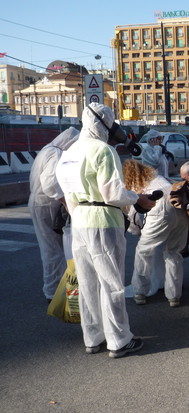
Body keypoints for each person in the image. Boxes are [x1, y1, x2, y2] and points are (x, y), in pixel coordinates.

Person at [56, 103, 155, 358]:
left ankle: (92, 337)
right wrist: (136, 198)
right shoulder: (104, 150)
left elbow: (68, 194)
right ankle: (119, 340)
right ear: (104, 124)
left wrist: (79, 215)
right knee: (111, 283)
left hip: (79, 221)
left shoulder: (69, 152)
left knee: (88, 284)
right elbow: (113, 194)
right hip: (104, 221)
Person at [123, 159, 189, 307]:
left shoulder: (137, 186)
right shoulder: (158, 178)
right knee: (173, 252)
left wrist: (136, 231)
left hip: (161, 208)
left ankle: (140, 291)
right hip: (180, 208)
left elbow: (133, 215)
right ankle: (174, 296)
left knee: (143, 251)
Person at [29, 127, 79, 301]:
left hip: (39, 202)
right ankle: (53, 292)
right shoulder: (56, 154)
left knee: (51, 248)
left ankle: (55, 289)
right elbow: (50, 183)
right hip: (46, 205)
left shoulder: (46, 150)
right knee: (53, 250)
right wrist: (66, 202)